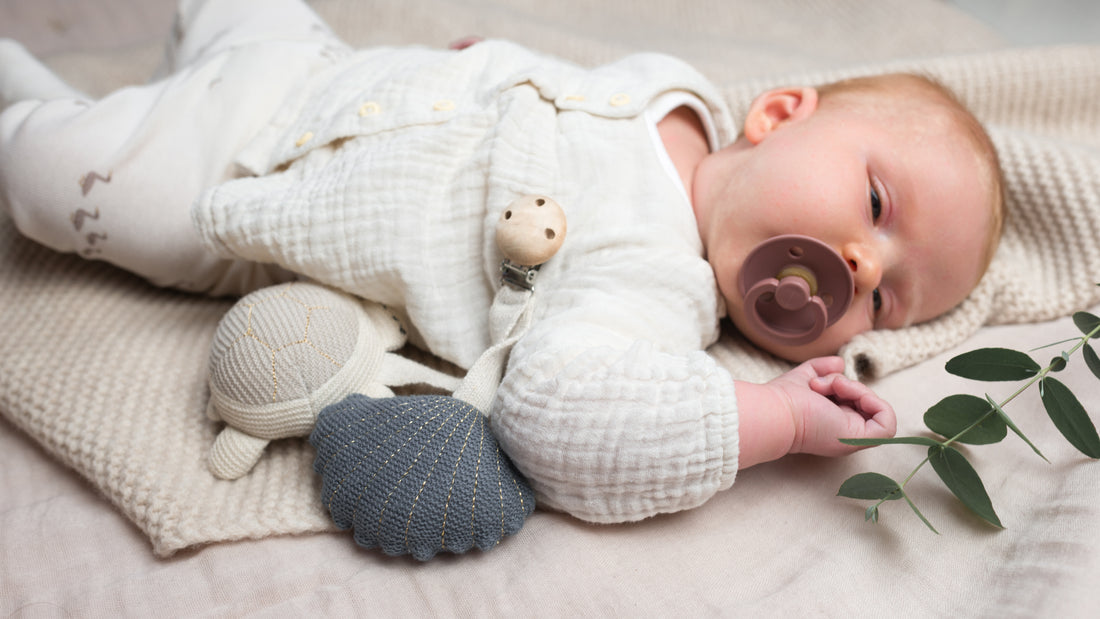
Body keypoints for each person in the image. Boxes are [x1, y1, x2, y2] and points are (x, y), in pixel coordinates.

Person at [0, 0, 1003, 523]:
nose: (858, 265)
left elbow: (560, 415)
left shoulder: (655, 288)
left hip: (245, 185)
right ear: (778, 113)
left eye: (886, 300)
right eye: (876, 206)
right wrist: (490, 64)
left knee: (49, 171)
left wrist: (775, 418)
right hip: (325, 71)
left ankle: (31, 105)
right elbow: (556, 88)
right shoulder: (674, 94)